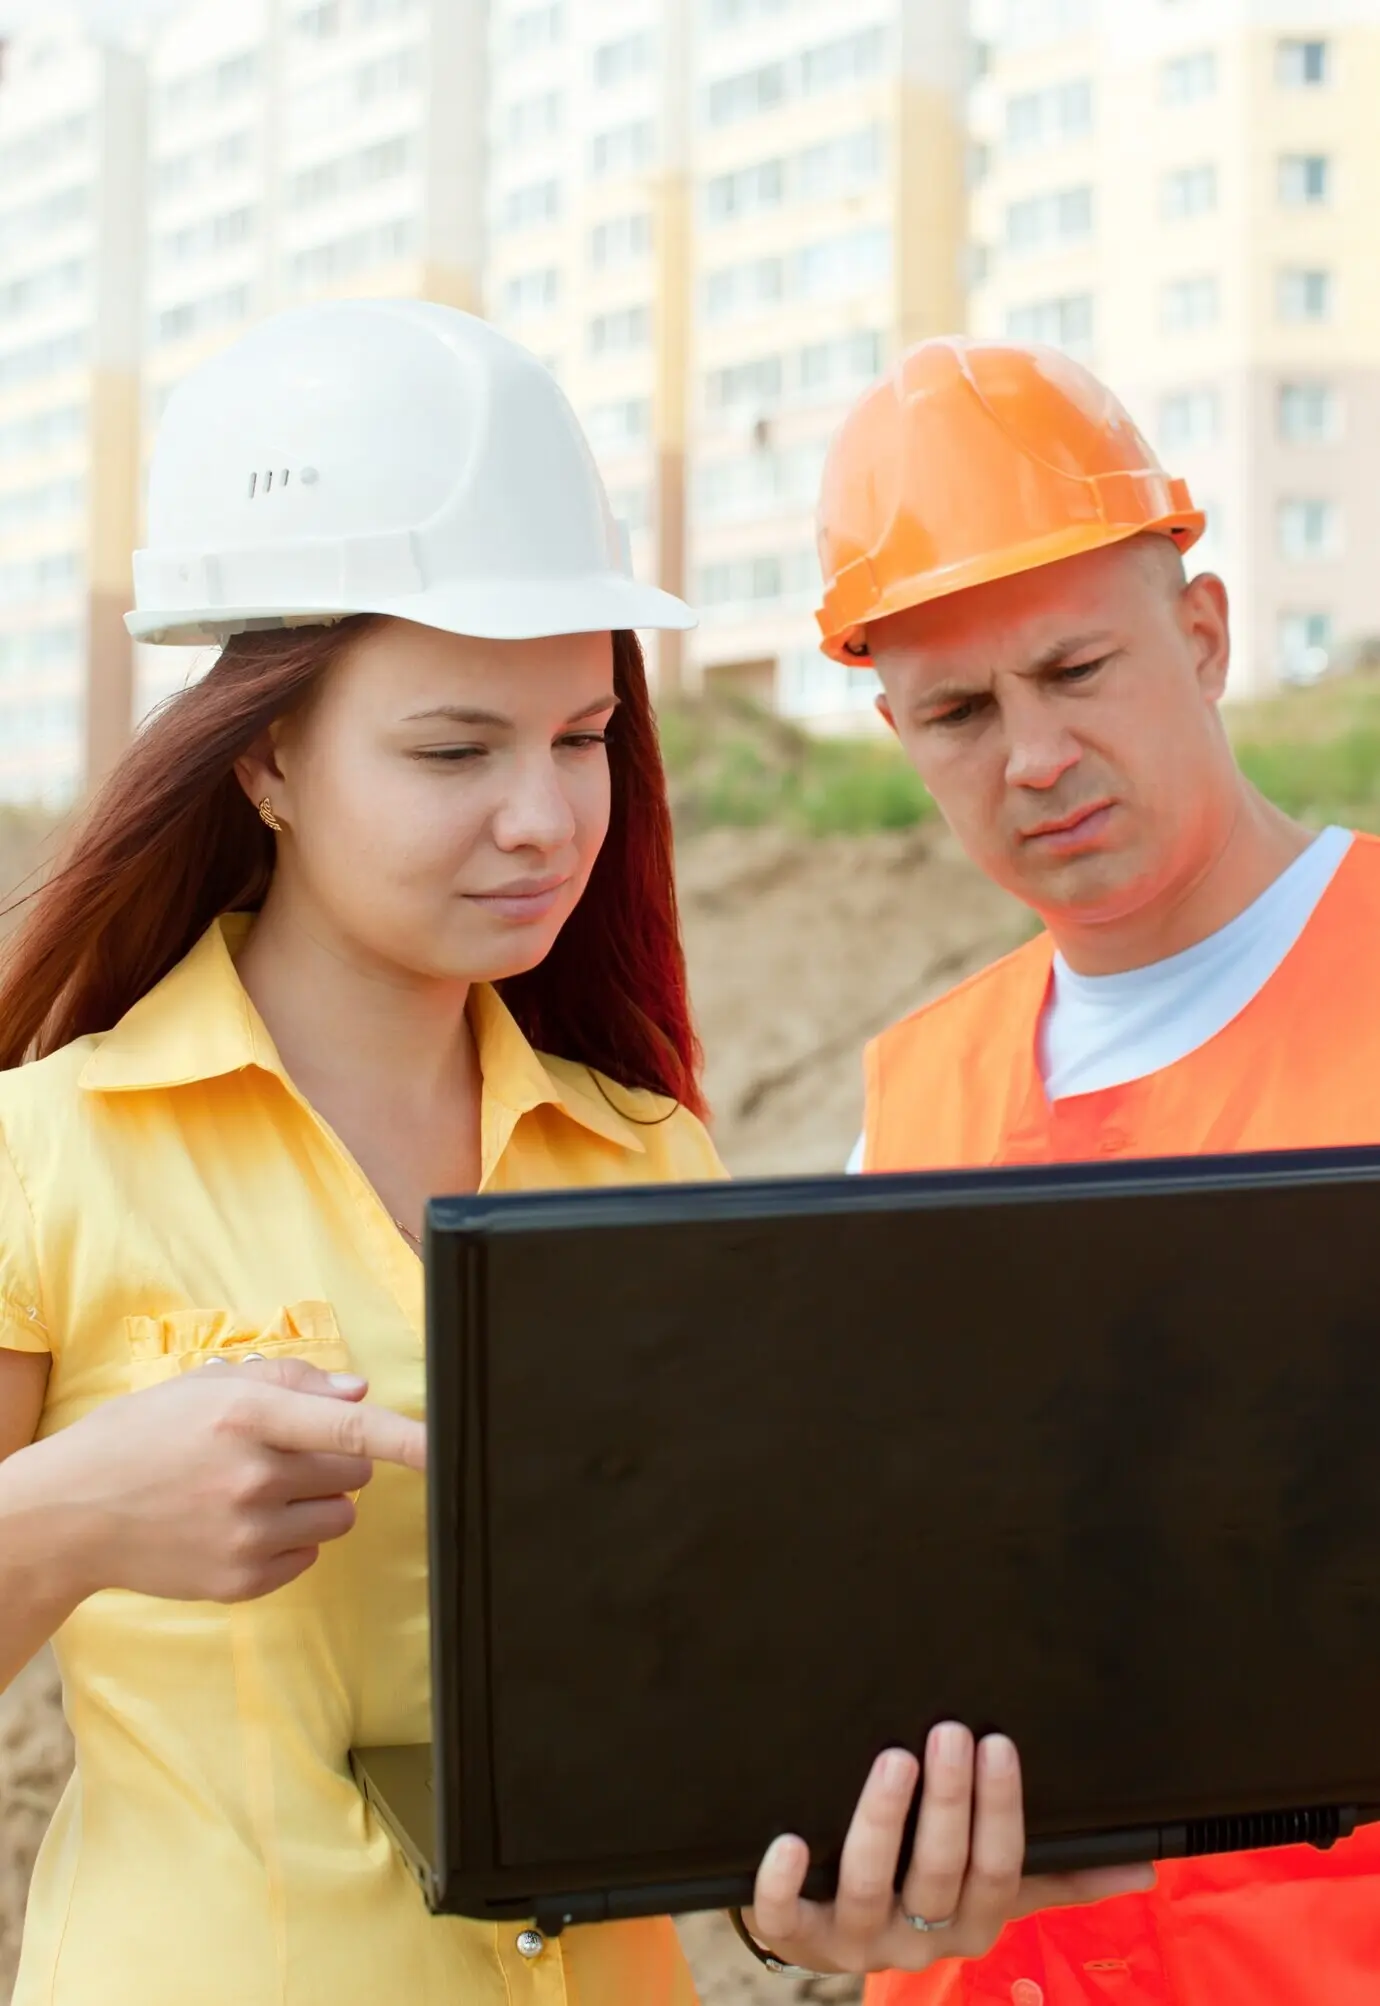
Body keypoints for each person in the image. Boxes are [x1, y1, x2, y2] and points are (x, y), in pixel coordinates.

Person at [0, 303, 1145, 2006]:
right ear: (268, 759)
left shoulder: (645, 1154)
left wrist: (807, 1892)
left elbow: (723, 1701)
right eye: (456, 748)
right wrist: (76, 1510)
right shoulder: (50, 1151)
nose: (544, 817)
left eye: (582, 737)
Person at [816, 333, 1380, 2005]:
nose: (1034, 756)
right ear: (898, 729)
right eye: (962, 712)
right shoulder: (907, 1101)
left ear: (1200, 637)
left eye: (1076, 671)